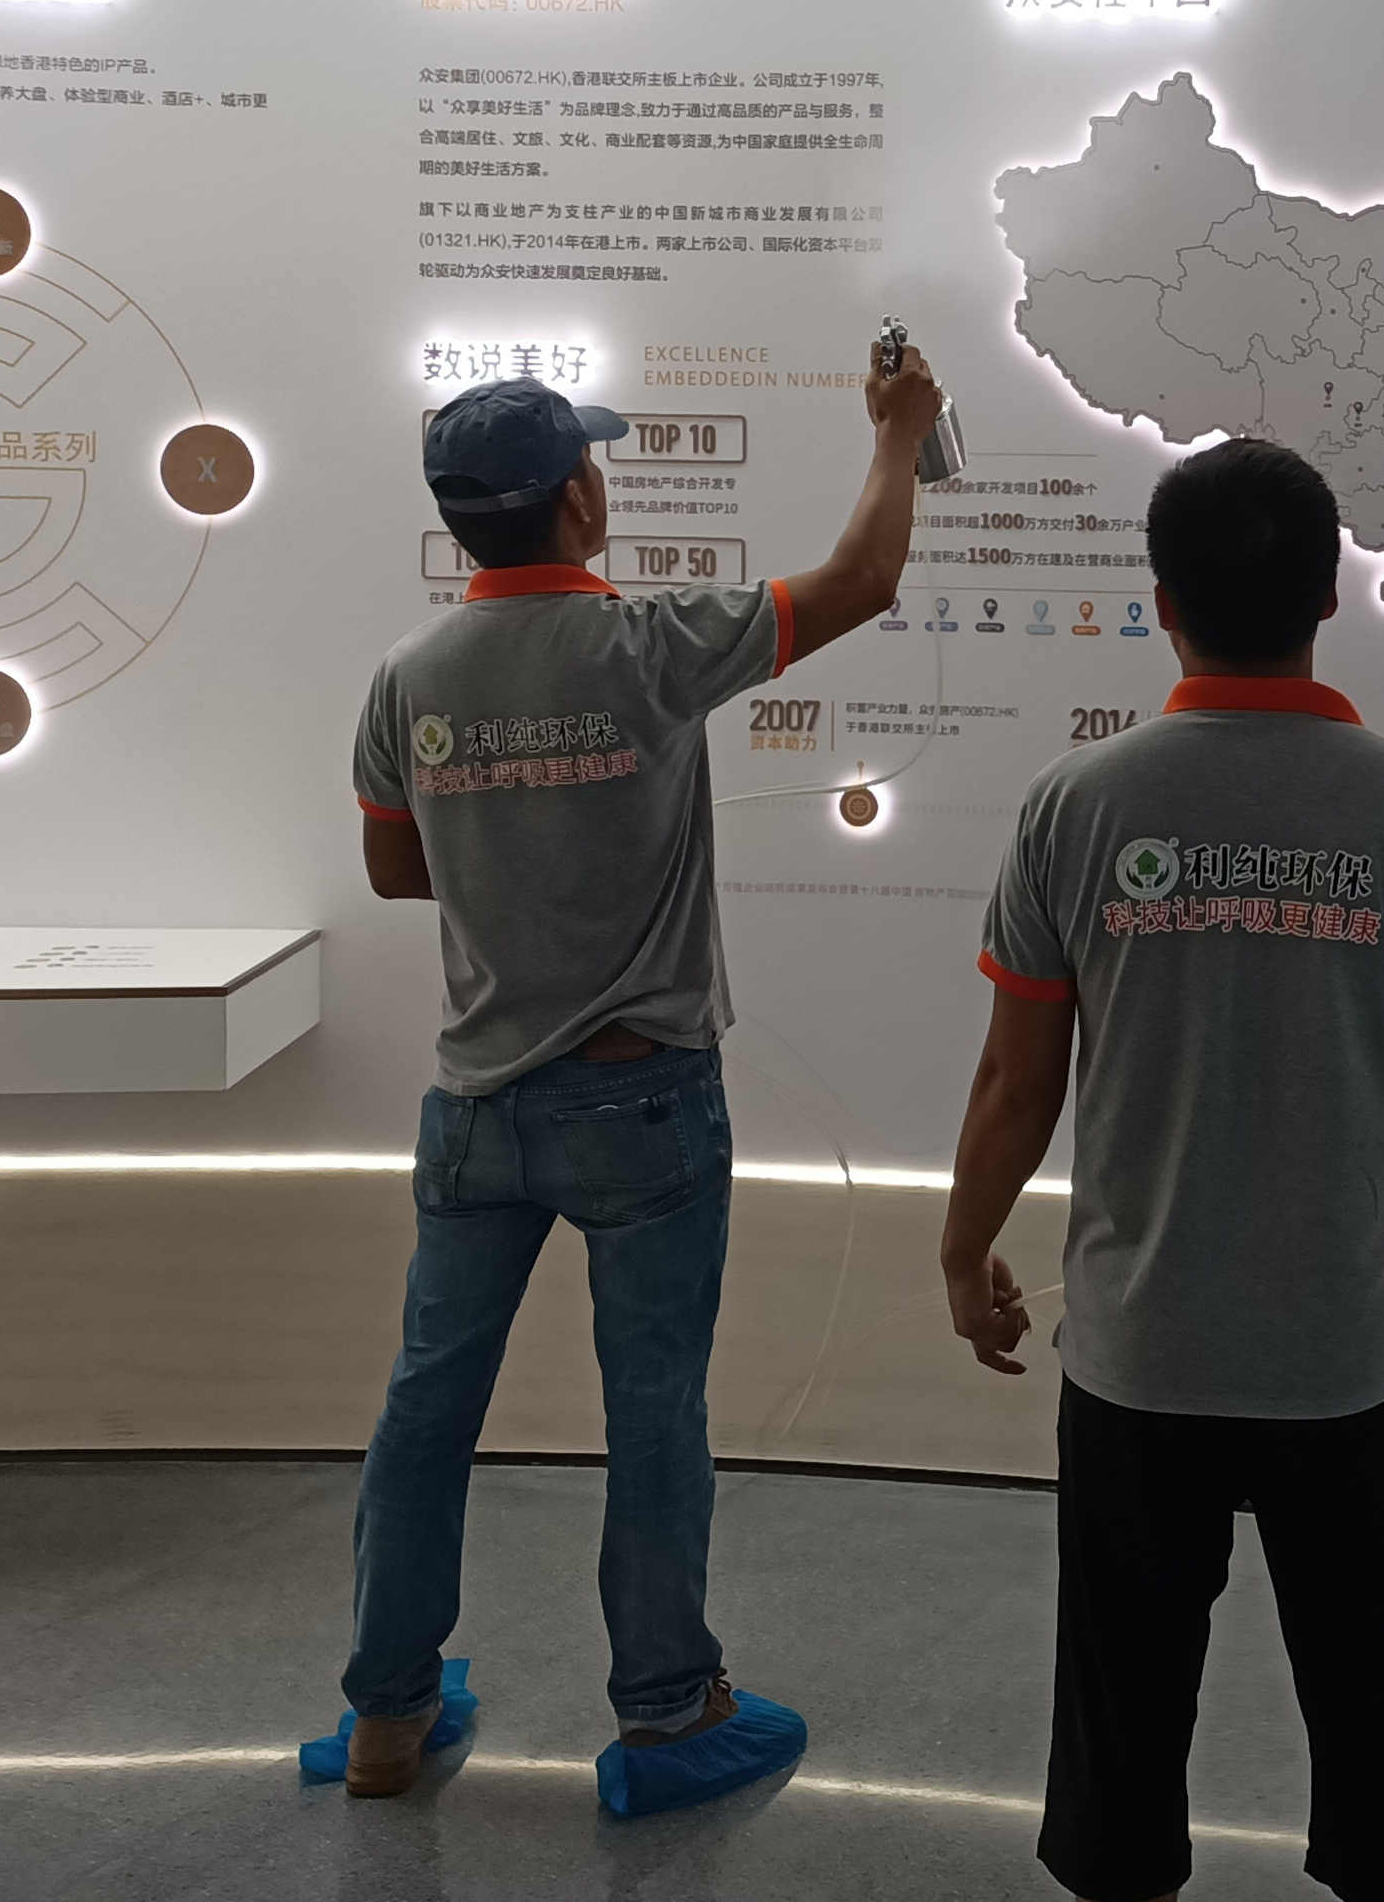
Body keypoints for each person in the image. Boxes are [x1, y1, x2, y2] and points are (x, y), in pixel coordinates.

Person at [937, 436, 1384, 1901]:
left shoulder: (1074, 805)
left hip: (1138, 1354)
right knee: (1380, 1711)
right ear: (1331, 595)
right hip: (1346, 1358)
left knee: (1121, 1715)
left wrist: (965, 1252)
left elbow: (1015, 1083)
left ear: (1162, 603)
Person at [342, 341, 945, 1810]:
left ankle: (386, 1718)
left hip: (474, 1107)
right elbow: (863, 580)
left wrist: (514, 854)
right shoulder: (650, 644)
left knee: (426, 1408)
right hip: (646, 1104)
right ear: (578, 498)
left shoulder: (409, 676)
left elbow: (395, 869)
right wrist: (899, 431)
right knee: (654, 1409)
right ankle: (667, 1713)